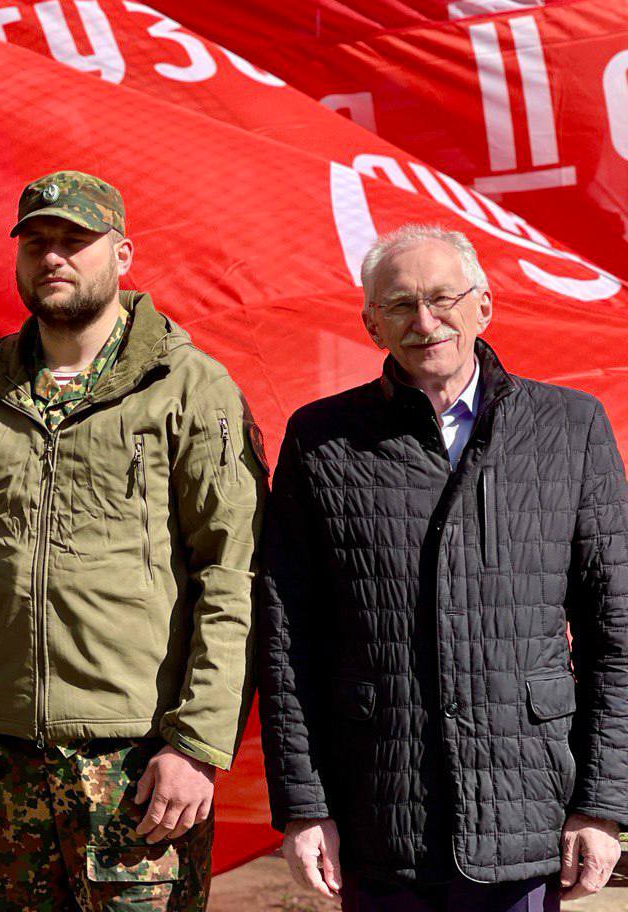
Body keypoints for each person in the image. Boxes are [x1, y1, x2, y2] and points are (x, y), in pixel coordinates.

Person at [0, 170, 266, 910]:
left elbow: (232, 574)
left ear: (123, 253)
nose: (55, 257)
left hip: (139, 761)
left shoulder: (189, 388)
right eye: (38, 242)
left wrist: (197, 747)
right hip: (2, 759)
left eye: (76, 241)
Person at [259, 224, 628, 911]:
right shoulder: (321, 440)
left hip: (528, 813)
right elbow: (287, 639)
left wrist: (603, 804)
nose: (424, 322)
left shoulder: (570, 428)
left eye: (442, 299)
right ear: (372, 325)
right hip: (381, 814)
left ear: (483, 306)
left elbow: (617, 632)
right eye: (399, 305)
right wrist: (306, 806)